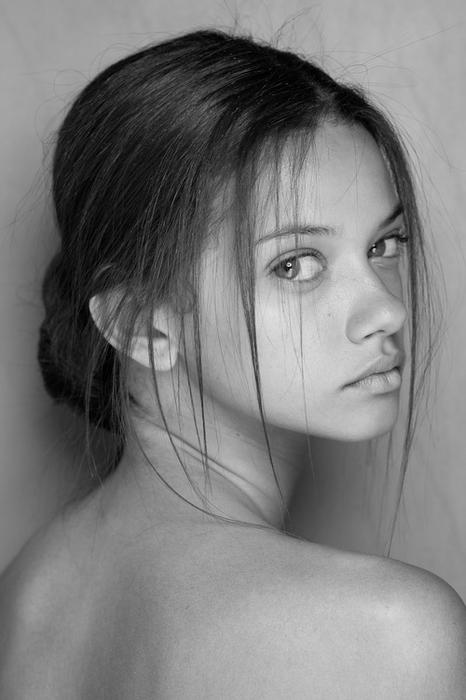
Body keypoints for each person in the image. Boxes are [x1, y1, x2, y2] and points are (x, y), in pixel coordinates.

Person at [0, 28, 465, 699]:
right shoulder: (388, 633)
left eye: (384, 244)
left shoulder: (27, 593)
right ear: (139, 324)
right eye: (295, 265)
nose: (387, 310)